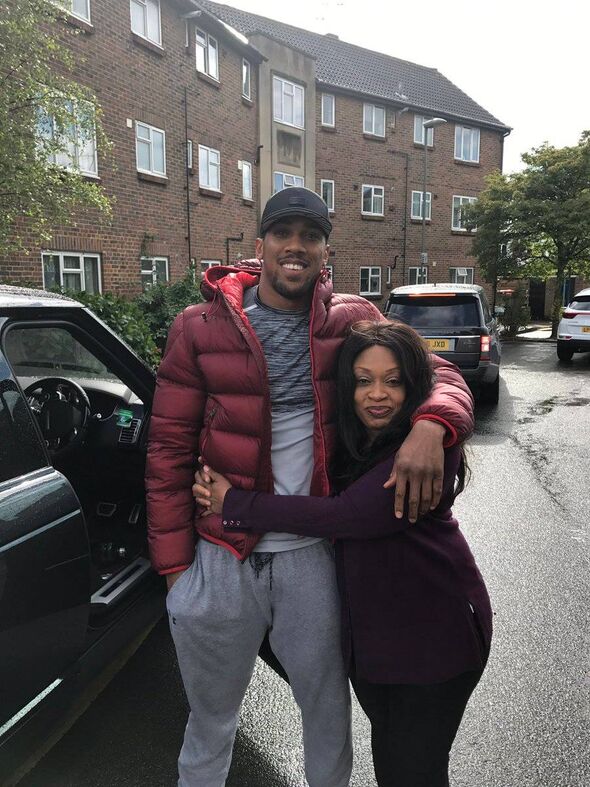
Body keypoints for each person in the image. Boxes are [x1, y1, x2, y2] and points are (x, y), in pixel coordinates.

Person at [146, 187, 474, 787]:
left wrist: (434, 423)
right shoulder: (198, 327)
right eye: (283, 234)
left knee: (327, 717)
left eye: (310, 236)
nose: (295, 247)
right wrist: (176, 573)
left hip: (311, 559)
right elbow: (168, 446)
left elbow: (437, 371)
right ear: (261, 244)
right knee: (210, 721)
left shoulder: (351, 319)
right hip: (221, 557)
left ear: (326, 250)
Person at [194, 319, 492, 787]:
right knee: (395, 764)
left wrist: (234, 504)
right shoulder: (360, 442)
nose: (378, 394)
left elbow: (347, 515)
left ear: (413, 385)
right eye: (364, 380)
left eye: (394, 381)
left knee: (413, 773)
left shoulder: (422, 455)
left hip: (437, 643)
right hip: (381, 648)